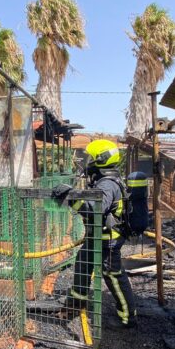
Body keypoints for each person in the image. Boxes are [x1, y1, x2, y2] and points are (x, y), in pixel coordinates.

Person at [54, 139, 137, 329]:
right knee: (82, 265)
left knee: (113, 276)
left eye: (92, 158)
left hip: (107, 240)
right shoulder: (104, 181)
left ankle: (128, 317)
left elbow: (95, 209)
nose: (88, 162)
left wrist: (71, 196)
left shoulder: (108, 184)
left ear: (101, 160)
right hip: (96, 237)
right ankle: (76, 304)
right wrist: (73, 193)